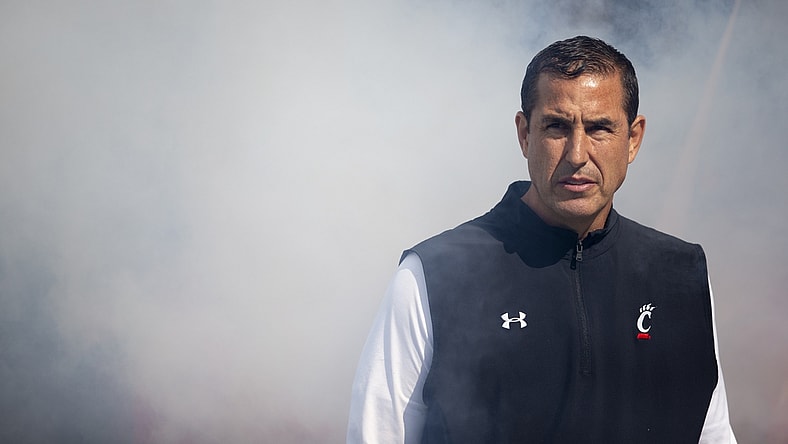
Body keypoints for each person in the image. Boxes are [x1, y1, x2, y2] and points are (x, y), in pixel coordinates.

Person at [347, 36, 736, 443]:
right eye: (557, 126)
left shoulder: (681, 274)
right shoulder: (433, 275)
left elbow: (713, 433)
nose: (578, 153)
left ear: (633, 138)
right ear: (524, 134)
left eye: (600, 128)